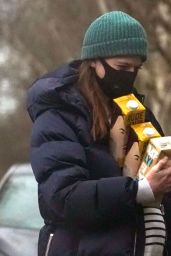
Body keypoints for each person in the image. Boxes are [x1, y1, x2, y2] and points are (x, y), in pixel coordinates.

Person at [27, 11, 171, 256]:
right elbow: (62, 198)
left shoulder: (136, 110)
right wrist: (141, 190)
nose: (129, 75)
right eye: (122, 67)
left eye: (136, 68)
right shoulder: (60, 113)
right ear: (94, 61)